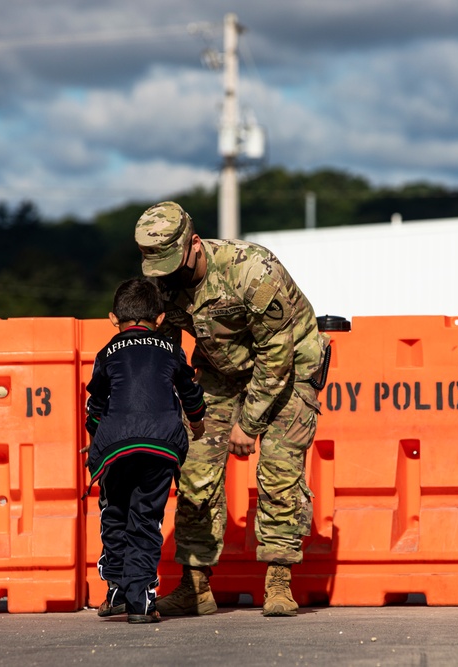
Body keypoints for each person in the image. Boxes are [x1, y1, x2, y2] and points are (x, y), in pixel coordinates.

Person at [135, 201, 329, 618]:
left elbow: (277, 355)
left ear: (196, 245)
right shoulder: (164, 277)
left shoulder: (252, 270)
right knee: (194, 470)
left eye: (174, 262)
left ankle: (279, 580)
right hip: (221, 371)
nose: (168, 275)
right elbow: (165, 342)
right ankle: (195, 585)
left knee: (278, 471)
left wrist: (249, 423)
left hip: (290, 368)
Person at [84, 277, 207, 624]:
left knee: (115, 513)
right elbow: (190, 393)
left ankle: (118, 590)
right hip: (161, 444)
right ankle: (140, 601)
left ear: (113, 318)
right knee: (145, 520)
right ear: (161, 318)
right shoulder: (172, 350)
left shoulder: (106, 353)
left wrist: (96, 437)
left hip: (115, 446)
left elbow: (96, 405)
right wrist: (197, 424)